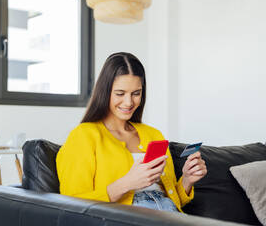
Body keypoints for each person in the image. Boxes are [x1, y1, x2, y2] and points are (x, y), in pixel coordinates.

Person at [56, 52, 207, 212]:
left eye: (136, 93)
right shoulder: (84, 135)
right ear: (105, 91)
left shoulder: (153, 135)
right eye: (120, 93)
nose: (129, 102)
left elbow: (169, 199)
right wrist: (127, 183)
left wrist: (187, 181)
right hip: (125, 216)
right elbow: (71, 204)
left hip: (167, 212)